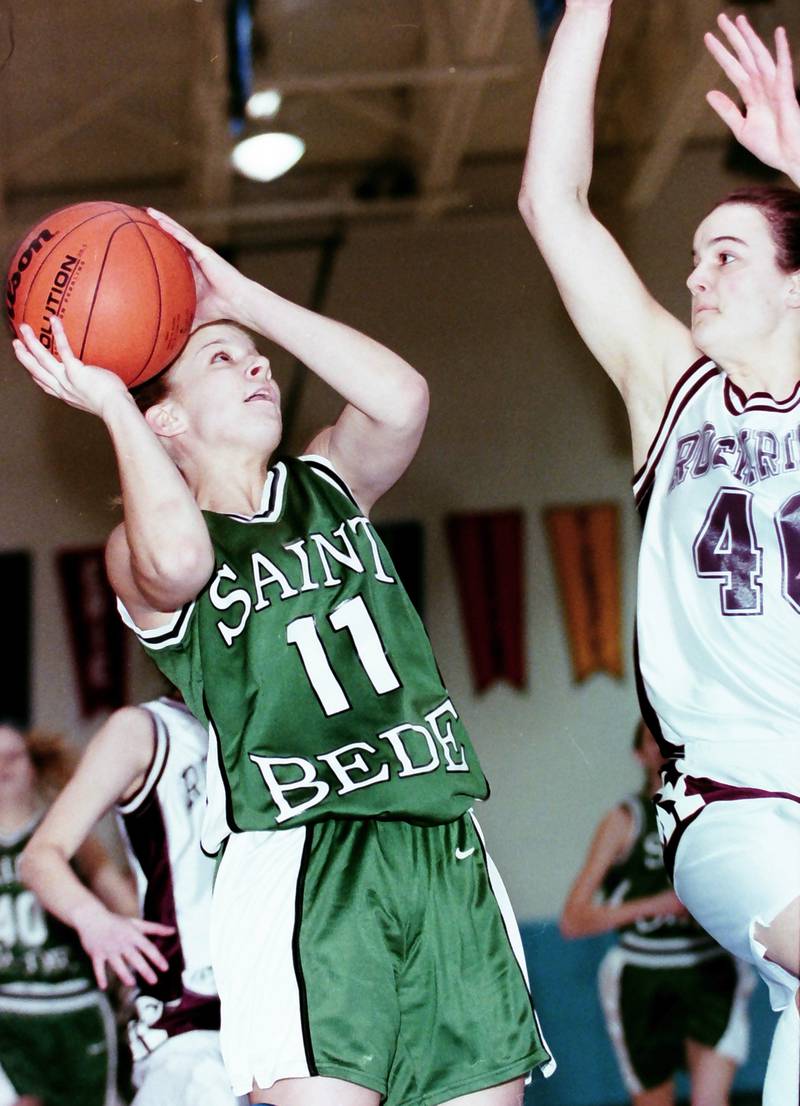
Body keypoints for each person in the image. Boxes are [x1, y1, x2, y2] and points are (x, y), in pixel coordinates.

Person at [11, 210, 555, 1106]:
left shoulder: (328, 481)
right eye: (221, 359)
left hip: (441, 841)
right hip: (305, 857)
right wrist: (113, 404)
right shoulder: (138, 549)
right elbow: (181, 561)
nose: (257, 364)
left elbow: (403, 397)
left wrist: (246, 304)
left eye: (252, 355)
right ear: (169, 417)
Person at [518, 4, 800, 1103]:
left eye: (723, 254)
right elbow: (552, 203)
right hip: (731, 801)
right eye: (690, 257)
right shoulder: (672, 395)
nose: (693, 276)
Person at [20, 695, 246, 1106]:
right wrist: (94, 919)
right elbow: (39, 857)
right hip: (190, 1014)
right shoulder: (143, 730)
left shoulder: (279, 718)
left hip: (278, 1004)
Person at [561, 722, 754, 1106]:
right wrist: (658, 904)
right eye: (654, 738)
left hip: (709, 968)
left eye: (673, 736)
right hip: (643, 974)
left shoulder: (715, 812)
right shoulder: (625, 819)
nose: (665, 746)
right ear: (639, 753)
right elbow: (573, 920)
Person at [0, 721, 134, 1106]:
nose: (4, 767)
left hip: (74, 1007)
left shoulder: (62, 834)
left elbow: (119, 897)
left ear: (33, 766)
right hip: (10, 1010)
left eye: (13, 757)